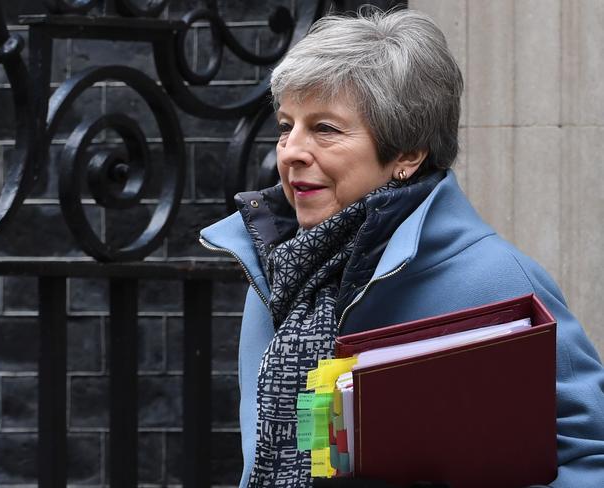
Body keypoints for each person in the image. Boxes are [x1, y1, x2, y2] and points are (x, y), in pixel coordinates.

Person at [199, 8, 604, 488]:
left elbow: (589, 456)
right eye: (288, 125)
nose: (291, 150)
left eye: (325, 129)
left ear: (408, 153)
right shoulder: (275, 273)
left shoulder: (500, 280)